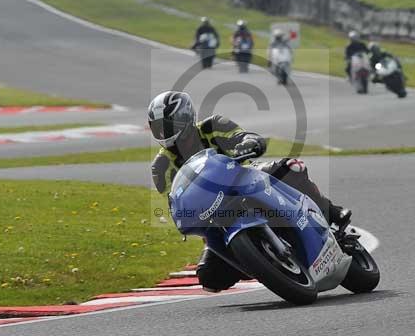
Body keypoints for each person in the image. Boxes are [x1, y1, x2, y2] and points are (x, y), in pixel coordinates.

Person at [148, 90, 351, 292]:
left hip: (246, 178)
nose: (164, 133)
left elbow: (243, 136)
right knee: (209, 278)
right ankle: (255, 260)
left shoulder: (213, 126)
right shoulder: (161, 165)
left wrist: (248, 144)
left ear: (185, 117)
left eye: (168, 126)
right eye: (158, 128)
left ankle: (331, 211)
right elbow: (174, 199)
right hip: (215, 214)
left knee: (291, 168)